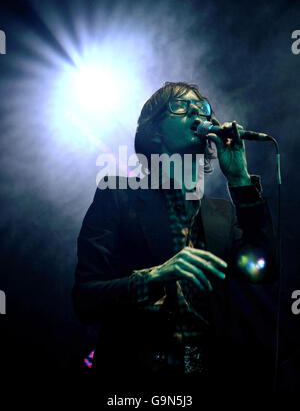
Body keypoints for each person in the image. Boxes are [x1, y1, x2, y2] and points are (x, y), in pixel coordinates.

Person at [72, 82, 277, 390]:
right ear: (154, 132)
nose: (197, 111)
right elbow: (85, 301)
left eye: (202, 107)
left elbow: (265, 268)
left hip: (212, 376)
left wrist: (239, 178)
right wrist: (155, 276)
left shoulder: (221, 212)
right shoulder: (117, 195)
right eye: (181, 107)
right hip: (137, 378)